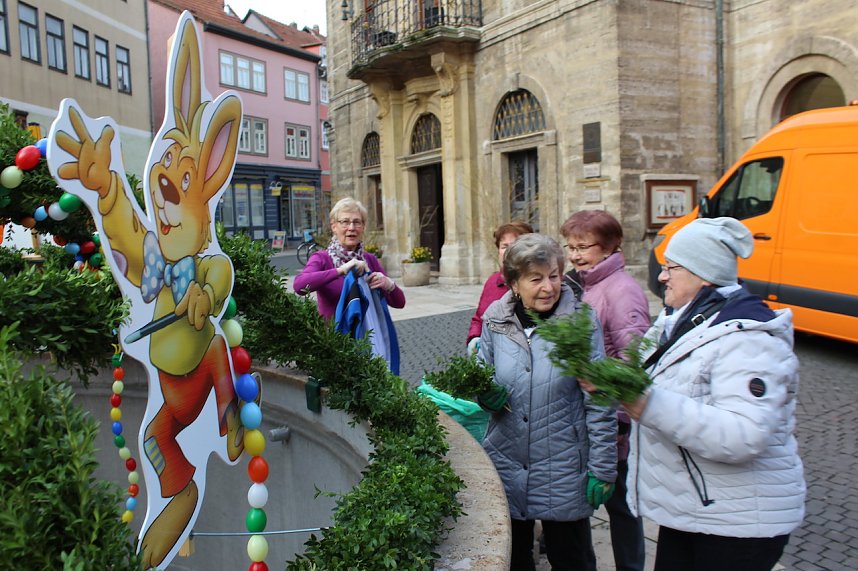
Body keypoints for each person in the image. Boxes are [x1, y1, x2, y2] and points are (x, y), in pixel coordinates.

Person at [617, 217, 805, 571]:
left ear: (702, 274)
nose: (661, 276)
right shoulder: (685, 321)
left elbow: (743, 435)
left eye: (670, 267)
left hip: (739, 526)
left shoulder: (748, 341)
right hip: (696, 510)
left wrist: (647, 404)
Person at [476, 233, 617, 571]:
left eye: (553, 275)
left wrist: (603, 468)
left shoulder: (580, 322)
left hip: (563, 467)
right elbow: (480, 373)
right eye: (535, 279)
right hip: (506, 464)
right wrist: (485, 393)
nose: (548, 287)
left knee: (572, 560)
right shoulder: (495, 319)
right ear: (514, 283)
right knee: (512, 559)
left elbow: (599, 400)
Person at [561, 210, 650, 571]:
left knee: (623, 508)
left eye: (584, 247)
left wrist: (599, 382)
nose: (575, 254)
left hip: (612, 418)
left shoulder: (622, 291)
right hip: (586, 411)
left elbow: (634, 363)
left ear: (611, 245)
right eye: (570, 246)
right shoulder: (582, 282)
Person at [293, 198, 406, 371]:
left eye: (357, 222)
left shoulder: (370, 260)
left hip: (370, 349)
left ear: (363, 227)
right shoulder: (322, 258)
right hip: (335, 346)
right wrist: (341, 270)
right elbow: (299, 285)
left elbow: (399, 302)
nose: (351, 228)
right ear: (334, 226)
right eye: (345, 222)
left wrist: (388, 284)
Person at [466, 221, 534, 353]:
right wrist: (474, 338)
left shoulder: (536, 283)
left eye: (514, 246)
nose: (508, 251)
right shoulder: (492, 282)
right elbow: (479, 318)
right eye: (504, 246)